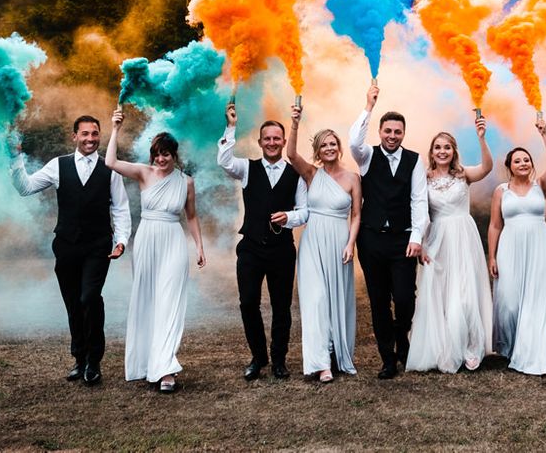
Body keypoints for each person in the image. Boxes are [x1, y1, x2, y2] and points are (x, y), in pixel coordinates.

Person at [10, 115, 131, 385]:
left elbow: (120, 208)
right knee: (73, 303)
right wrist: (15, 159)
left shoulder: (109, 168)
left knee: (90, 298)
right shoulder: (58, 165)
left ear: (100, 137)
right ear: (74, 136)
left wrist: (121, 240)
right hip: (66, 245)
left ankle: (94, 362)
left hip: (98, 245)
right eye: (85, 134)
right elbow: (25, 188)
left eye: (95, 134)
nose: (90, 139)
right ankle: (80, 358)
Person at [105, 108, 206, 393]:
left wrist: (199, 246)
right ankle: (145, 362)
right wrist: (115, 128)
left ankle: (166, 369)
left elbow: (192, 216)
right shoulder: (143, 172)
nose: (161, 159)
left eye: (166, 154)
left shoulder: (186, 182)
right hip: (147, 239)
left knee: (170, 301)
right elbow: (110, 161)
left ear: (175, 155)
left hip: (173, 240)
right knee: (147, 298)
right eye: (157, 154)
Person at [217, 101, 308, 381]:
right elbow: (224, 161)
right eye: (267, 138)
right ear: (259, 142)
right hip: (251, 248)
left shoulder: (296, 174)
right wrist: (231, 126)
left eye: (276, 139)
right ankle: (258, 357)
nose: (271, 143)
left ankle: (279, 360)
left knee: (282, 306)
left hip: (282, 250)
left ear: (283, 142)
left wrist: (289, 217)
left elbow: (305, 211)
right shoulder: (246, 168)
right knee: (248, 304)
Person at [349, 83, 429, 379]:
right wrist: (368, 107)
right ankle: (388, 358)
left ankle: (401, 335)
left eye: (397, 132)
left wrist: (417, 237)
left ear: (403, 134)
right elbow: (353, 140)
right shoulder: (366, 156)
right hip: (371, 240)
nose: (392, 136)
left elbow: (419, 200)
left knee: (406, 297)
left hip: (402, 240)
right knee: (379, 299)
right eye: (387, 131)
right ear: (380, 132)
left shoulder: (415, 160)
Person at [406, 115, 494, 373]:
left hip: (464, 237)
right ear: (432, 152)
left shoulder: (463, 174)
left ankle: (471, 346)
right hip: (437, 240)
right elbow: (419, 210)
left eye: (447, 147)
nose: (442, 151)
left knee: (466, 294)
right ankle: (444, 347)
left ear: (453, 151)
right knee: (440, 294)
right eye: (438, 147)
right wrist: (420, 242)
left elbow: (487, 167)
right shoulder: (423, 177)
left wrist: (481, 138)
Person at [287, 105, 361, 382]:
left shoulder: (353, 178)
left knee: (337, 300)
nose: (329, 148)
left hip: (340, 241)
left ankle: (337, 352)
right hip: (313, 241)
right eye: (324, 145)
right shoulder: (311, 174)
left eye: (333, 144)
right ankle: (320, 363)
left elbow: (356, 216)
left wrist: (350, 244)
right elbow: (291, 154)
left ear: (339, 148)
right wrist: (294, 123)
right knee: (315, 299)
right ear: (317, 151)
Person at [488, 117, 546, 375]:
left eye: (526, 159)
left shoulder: (540, 185)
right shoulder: (501, 191)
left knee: (535, 299)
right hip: (510, 246)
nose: (523, 163)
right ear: (509, 166)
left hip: (539, 246)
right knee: (508, 301)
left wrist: (544, 134)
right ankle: (509, 346)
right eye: (517, 160)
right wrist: (492, 257)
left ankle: (531, 350)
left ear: (531, 164)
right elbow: (495, 226)